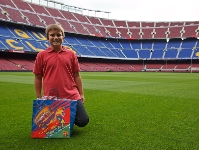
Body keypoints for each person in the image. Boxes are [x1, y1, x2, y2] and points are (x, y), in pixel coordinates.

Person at [33, 24, 89, 127]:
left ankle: (66, 119)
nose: (55, 37)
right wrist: (38, 96)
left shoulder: (71, 54)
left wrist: (81, 94)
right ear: (47, 38)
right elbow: (37, 76)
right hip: (51, 95)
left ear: (63, 37)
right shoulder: (41, 55)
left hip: (72, 94)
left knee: (83, 121)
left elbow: (77, 75)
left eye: (58, 35)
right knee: (51, 124)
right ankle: (63, 121)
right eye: (52, 35)